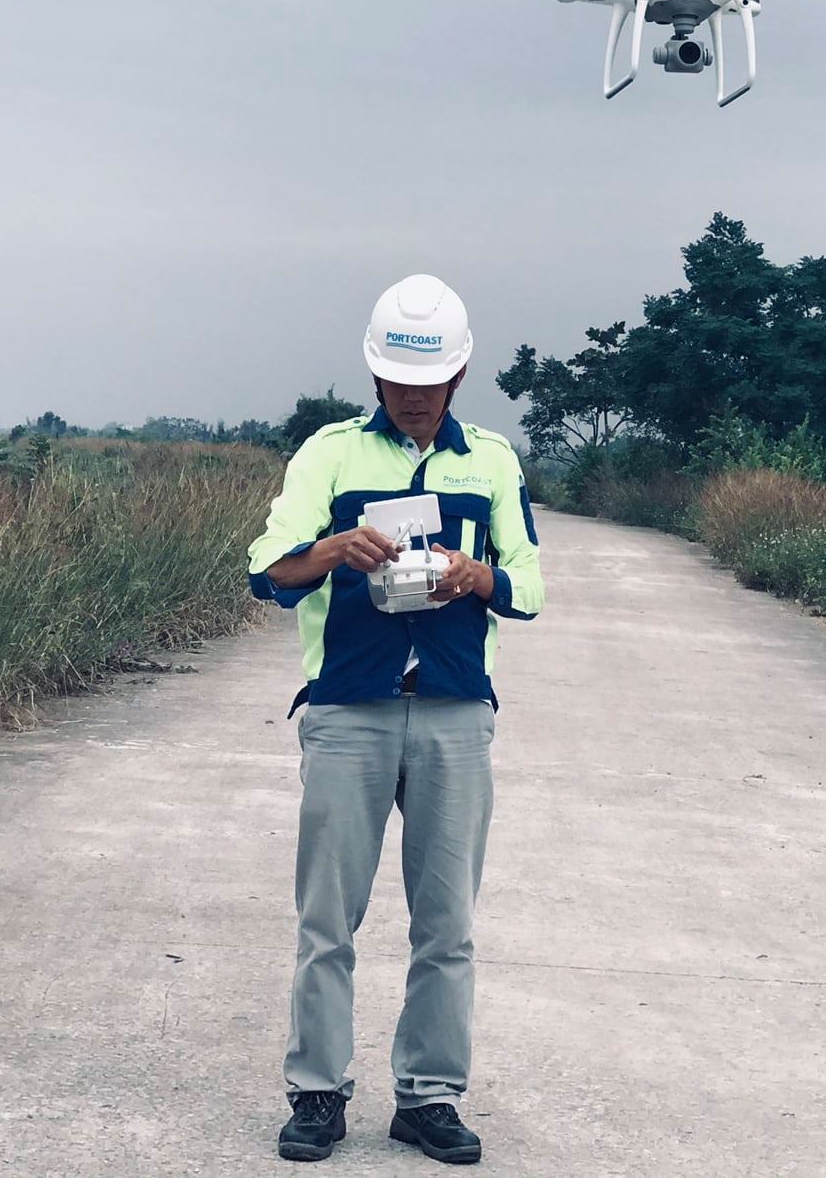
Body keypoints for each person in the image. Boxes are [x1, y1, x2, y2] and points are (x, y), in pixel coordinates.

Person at [247, 273, 545, 1165]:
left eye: (430, 383)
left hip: (454, 712)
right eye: (399, 382)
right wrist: (331, 549)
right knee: (326, 917)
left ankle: (428, 1093)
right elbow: (267, 566)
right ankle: (316, 1091)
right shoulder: (329, 455)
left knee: (446, 923)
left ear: (458, 377)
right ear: (375, 376)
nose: (414, 398)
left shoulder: (490, 461)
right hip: (349, 710)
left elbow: (529, 585)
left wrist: (477, 574)